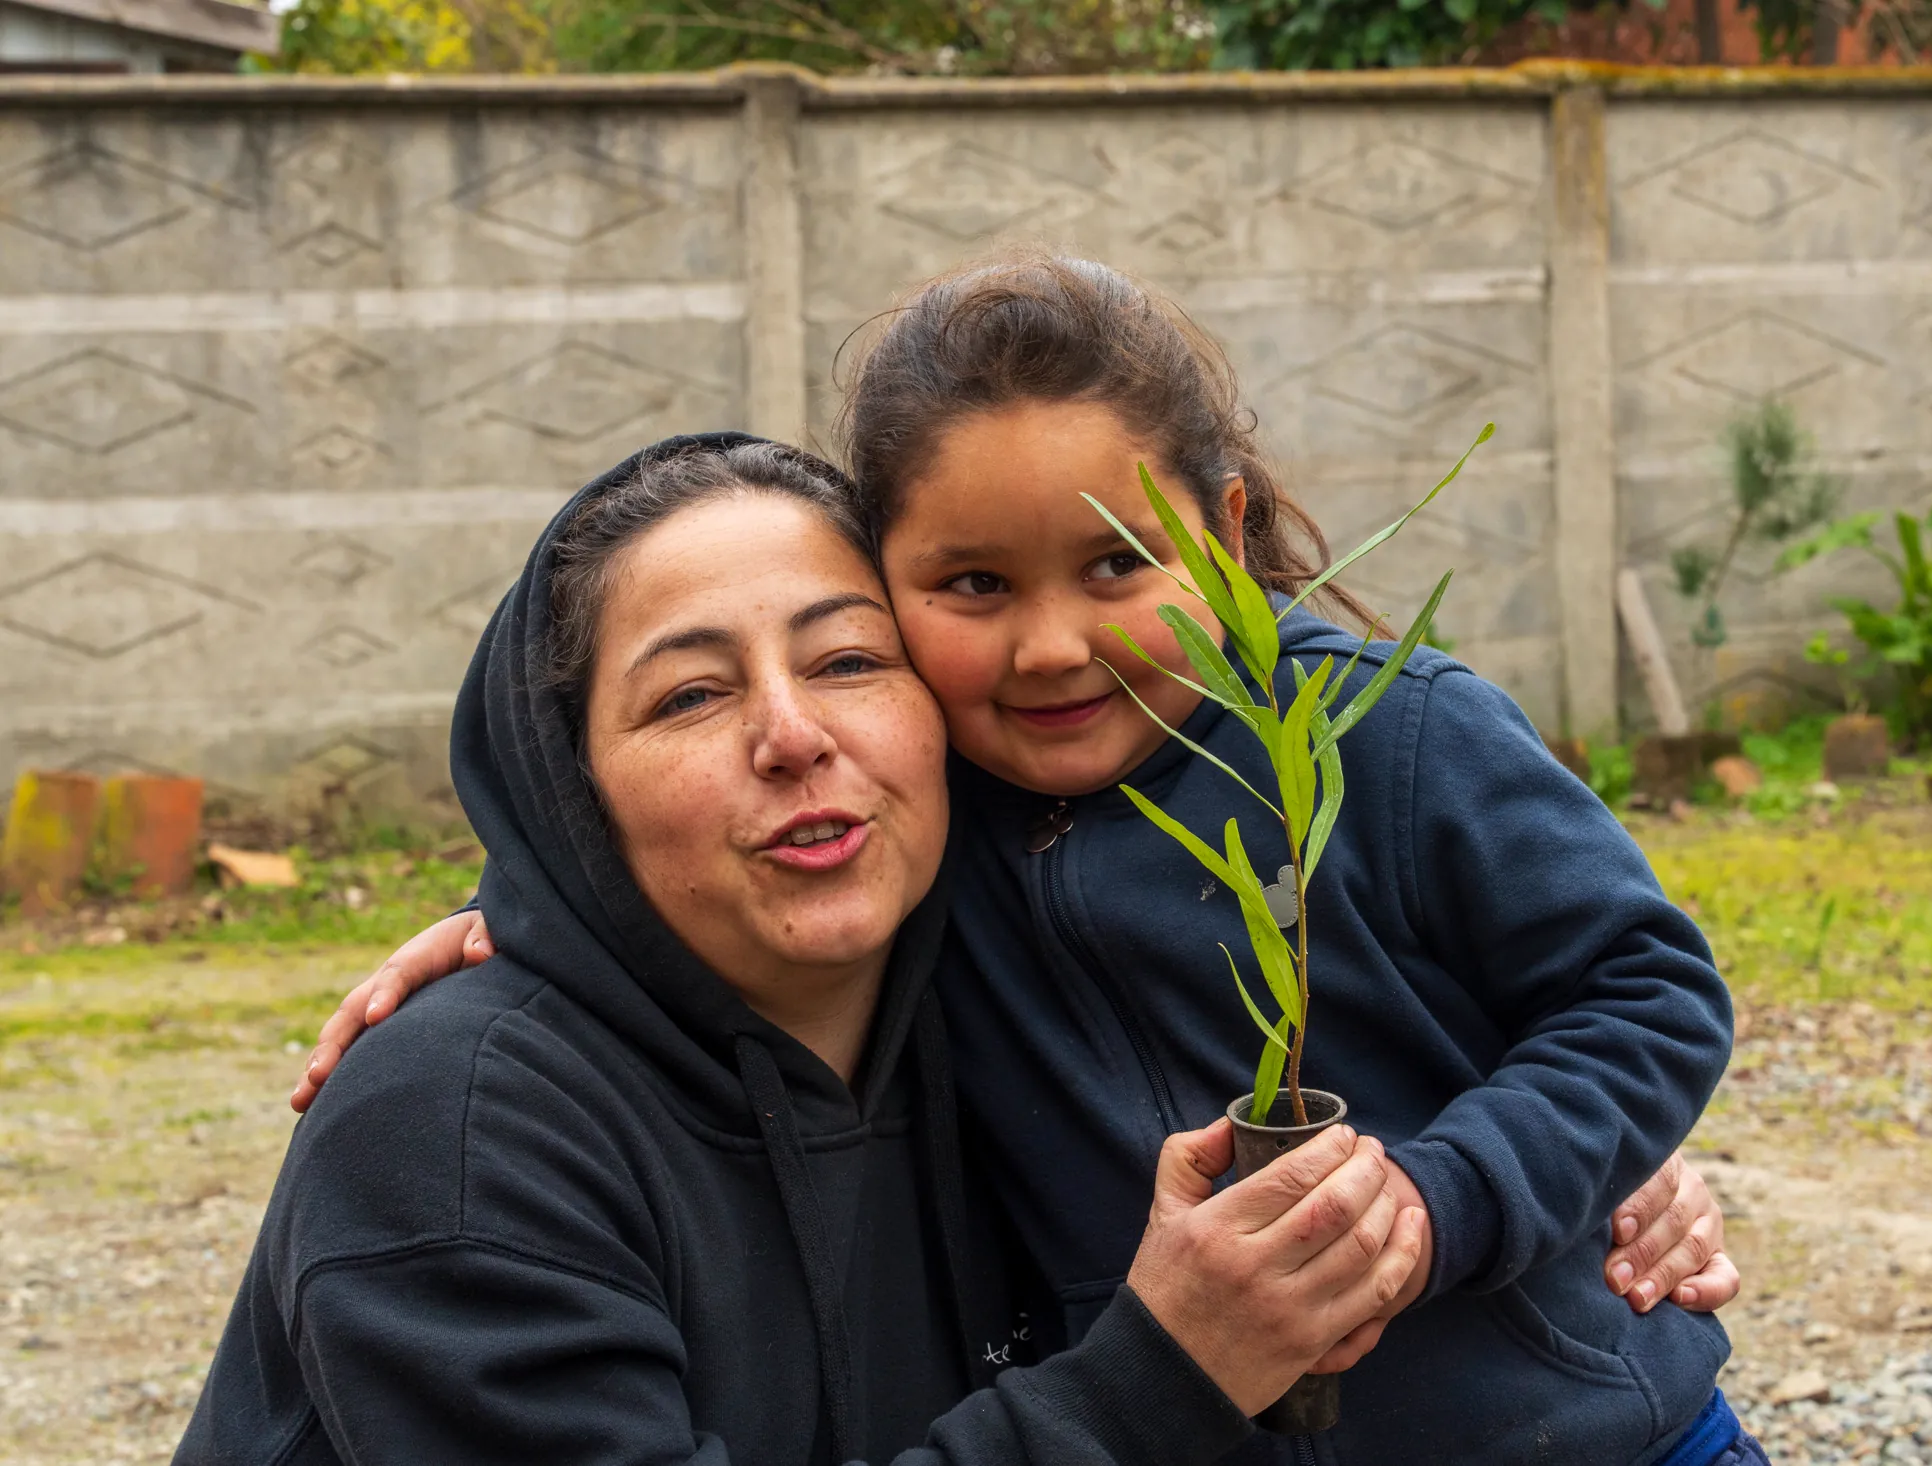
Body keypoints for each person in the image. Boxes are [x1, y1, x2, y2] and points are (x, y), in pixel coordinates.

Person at [301, 254, 1759, 1463]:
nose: (1056, 643)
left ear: (1225, 526)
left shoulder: (1383, 731)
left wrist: (1482, 1187)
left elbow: (1643, 991)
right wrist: (527, 917)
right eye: (976, 585)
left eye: (1118, 561)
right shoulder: (946, 814)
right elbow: (694, 869)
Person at [176, 436, 1434, 1466]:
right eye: (689, 695)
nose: (791, 733)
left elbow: (1492, 1022)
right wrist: (1160, 1369)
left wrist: (1625, 1151)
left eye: (846, 659)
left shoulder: (1000, 999)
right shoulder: (455, 1135)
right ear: (568, 794)